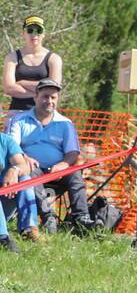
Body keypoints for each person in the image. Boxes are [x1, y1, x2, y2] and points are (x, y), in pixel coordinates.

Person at [7, 79, 91, 237]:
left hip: (58, 170)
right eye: (45, 96)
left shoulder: (66, 123)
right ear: (35, 97)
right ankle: (48, 216)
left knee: (75, 173)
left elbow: (73, 152)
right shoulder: (19, 120)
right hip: (32, 169)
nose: (49, 101)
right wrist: (24, 157)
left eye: (53, 97)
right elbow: (12, 146)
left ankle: (81, 218)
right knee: (30, 173)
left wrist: (63, 164)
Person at [3, 15, 63, 116]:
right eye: (30, 30)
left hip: (45, 114)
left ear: (43, 34)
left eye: (38, 31)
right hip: (17, 113)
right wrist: (40, 94)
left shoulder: (54, 59)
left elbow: (53, 87)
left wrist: (22, 83)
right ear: (23, 33)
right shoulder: (12, 58)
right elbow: (9, 88)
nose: (34, 34)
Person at [0, 128, 33, 252]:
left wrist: (14, 170)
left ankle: (28, 229)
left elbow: (23, 165)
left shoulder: (6, 141)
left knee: (25, 179)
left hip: (6, 198)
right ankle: (3, 237)